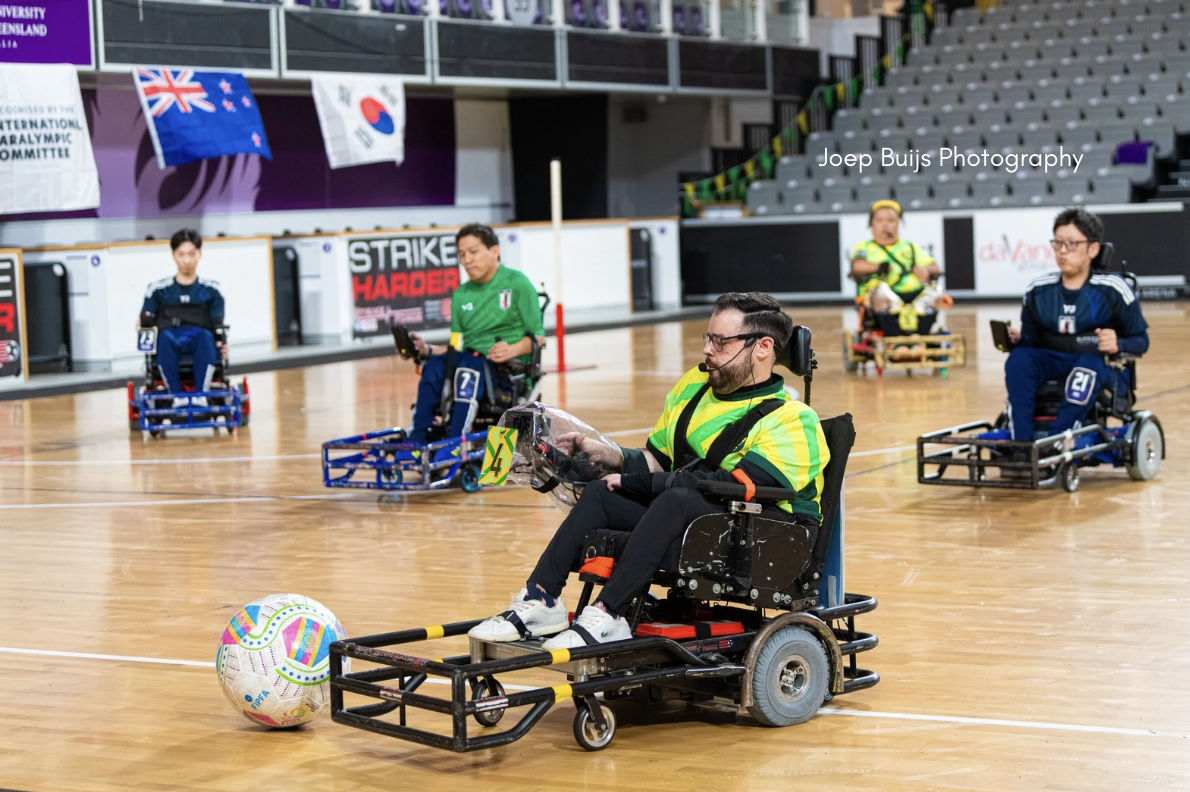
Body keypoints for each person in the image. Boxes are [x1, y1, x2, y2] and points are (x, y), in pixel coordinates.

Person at [468, 292, 830, 649]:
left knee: (678, 498)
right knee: (601, 494)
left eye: (721, 342)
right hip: (694, 517)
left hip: (765, 536)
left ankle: (609, 614)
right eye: (708, 338)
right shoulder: (693, 387)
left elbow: (728, 485)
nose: (708, 350)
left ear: (763, 347)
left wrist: (640, 480)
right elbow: (660, 460)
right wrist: (611, 456)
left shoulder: (795, 420)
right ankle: (541, 599)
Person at [1003, 208, 1149, 443]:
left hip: (1098, 366)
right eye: (1057, 243)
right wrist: (1018, 340)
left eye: (1071, 244)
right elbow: (1032, 342)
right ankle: (1022, 444)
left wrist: (1118, 343)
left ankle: (1056, 441)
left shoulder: (1114, 289)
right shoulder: (1038, 290)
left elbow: (1142, 342)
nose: (1062, 251)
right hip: (1052, 361)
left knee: (1086, 367)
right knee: (1019, 359)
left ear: (1092, 249)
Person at [403, 223, 546, 464]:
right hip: (471, 362)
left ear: (494, 251)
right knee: (435, 365)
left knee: (469, 366)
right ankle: (417, 441)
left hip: (507, 371)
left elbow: (538, 338)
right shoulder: (461, 294)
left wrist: (512, 349)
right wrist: (426, 350)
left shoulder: (518, 283)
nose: (467, 260)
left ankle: (453, 443)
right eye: (461, 255)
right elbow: (455, 346)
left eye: (473, 252)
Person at [139, 229, 224, 402]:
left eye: (192, 254)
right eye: (181, 254)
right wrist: (143, 323)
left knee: (206, 337)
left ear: (199, 254)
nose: (187, 260)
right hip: (170, 337)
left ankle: (201, 395)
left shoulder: (212, 290)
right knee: (164, 338)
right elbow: (145, 318)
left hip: (200, 338)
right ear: (173, 255)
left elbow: (218, 323)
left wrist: (223, 344)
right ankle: (177, 397)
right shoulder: (158, 290)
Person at [849, 200, 946, 333]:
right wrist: (879, 268)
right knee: (881, 293)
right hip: (882, 296)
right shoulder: (864, 247)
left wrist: (924, 269)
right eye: (879, 220)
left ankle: (921, 338)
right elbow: (857, 266)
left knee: (934, 293)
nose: (885, 224)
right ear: (872, 223)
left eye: (890, 220)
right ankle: (895, 341)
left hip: (913, 295)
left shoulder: (911, 247)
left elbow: (936, 268)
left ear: (898, 222)